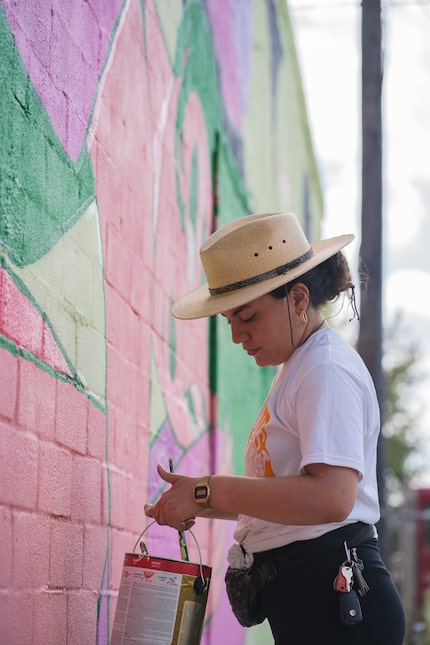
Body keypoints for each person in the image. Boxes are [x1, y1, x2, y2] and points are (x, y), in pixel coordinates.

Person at [144, 212, 405, 644]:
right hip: (320, 606)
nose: (236, 336)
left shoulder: (324, 368)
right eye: (229, 321)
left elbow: (331, 497)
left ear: (298, 299)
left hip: (339, 611)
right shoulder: (300, 366)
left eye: (247, 317)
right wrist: (199, 499)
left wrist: (208, 489)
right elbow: (291, 500)